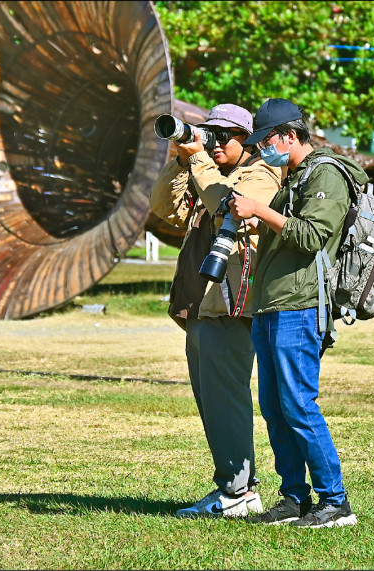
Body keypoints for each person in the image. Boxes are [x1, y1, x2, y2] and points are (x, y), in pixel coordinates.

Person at [227, 98, 368, 528]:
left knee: (298, 404)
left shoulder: (327, 173)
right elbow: (288, 231)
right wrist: (258, 222)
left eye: (267, 141)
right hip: (273, 303)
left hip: (302, 305)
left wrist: (258, 211)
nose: (261, 150)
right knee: (274, 406)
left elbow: (311, 236)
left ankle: (335, 501)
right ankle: (294, 498)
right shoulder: (297, 176)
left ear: (289, 136)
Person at [149, 104, 281, 517]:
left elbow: (224, 203)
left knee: (227, 398)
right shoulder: (203, 166)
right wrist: (181, 158)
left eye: (225, 134)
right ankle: (234, 486)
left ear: (248, 138)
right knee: (211, 399)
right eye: (211, 132)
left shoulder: (261, 173)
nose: (216, 141)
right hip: (200, 304)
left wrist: (200, 160)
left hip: (230, 306)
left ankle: (238, 492)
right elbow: (162, 207)